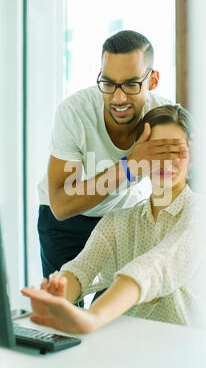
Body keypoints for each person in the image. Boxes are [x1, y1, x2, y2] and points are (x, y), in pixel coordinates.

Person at [22, 104, 203, 334]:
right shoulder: (120, 220)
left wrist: (93, 317)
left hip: (183, 350)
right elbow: (83, 268)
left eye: (176, 151)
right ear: (140, 156)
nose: (166, 161)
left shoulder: (203, 213)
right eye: (157, 150)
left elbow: (156, 266)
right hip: (125, 347)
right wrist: (59, 294)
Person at [37, 30, 188, 285]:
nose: (119, 98)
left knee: (113, 308)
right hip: (65, 224)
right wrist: (129, 166)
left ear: (152, 81)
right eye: (108, 84)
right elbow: (61, 206)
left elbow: (183, 178)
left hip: (118, 219)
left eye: (131, 84)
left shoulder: (163, 117)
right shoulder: (74, 112)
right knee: (63, 309)